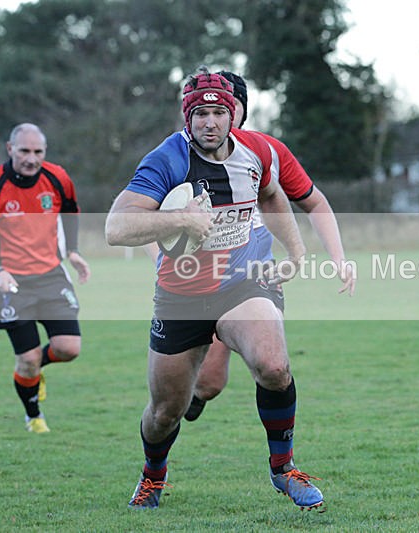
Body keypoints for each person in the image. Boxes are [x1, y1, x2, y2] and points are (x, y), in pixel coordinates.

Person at [105, 66, 324, 511]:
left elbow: (272, 194)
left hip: (244, 282)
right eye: (200, 113)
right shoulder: (168, 158)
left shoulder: (253, 153)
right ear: (188, 118)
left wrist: (297, 251)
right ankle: (152, 476)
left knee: (274, 366)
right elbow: (116, 227)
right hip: (181, 295)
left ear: (233, 116)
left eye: (219, 112)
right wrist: (181, 219)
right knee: (166, 411)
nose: (210, 122)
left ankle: (284, 468)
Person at [183, 71, 356, 422]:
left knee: (273, 365)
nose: (215, 117)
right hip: (201, 282)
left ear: (239, 109)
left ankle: (283, 461)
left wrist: (338, 258)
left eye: (226, 107)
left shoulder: (268, 151)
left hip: (255, 279)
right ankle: (180, 404)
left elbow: (315, 203)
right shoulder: (180, 153)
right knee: (209, 383)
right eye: (205, 110)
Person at [0, 123, 91, 434]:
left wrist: (72, 251)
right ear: (10, 149)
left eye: (38, 152)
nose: (31, 158)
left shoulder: (57, 178)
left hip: (50, 275)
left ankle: (33, 369)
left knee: (68, 348)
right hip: (10, 282)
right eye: (24, 151)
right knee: (28, 358)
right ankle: (33, 416)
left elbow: (71, 212)